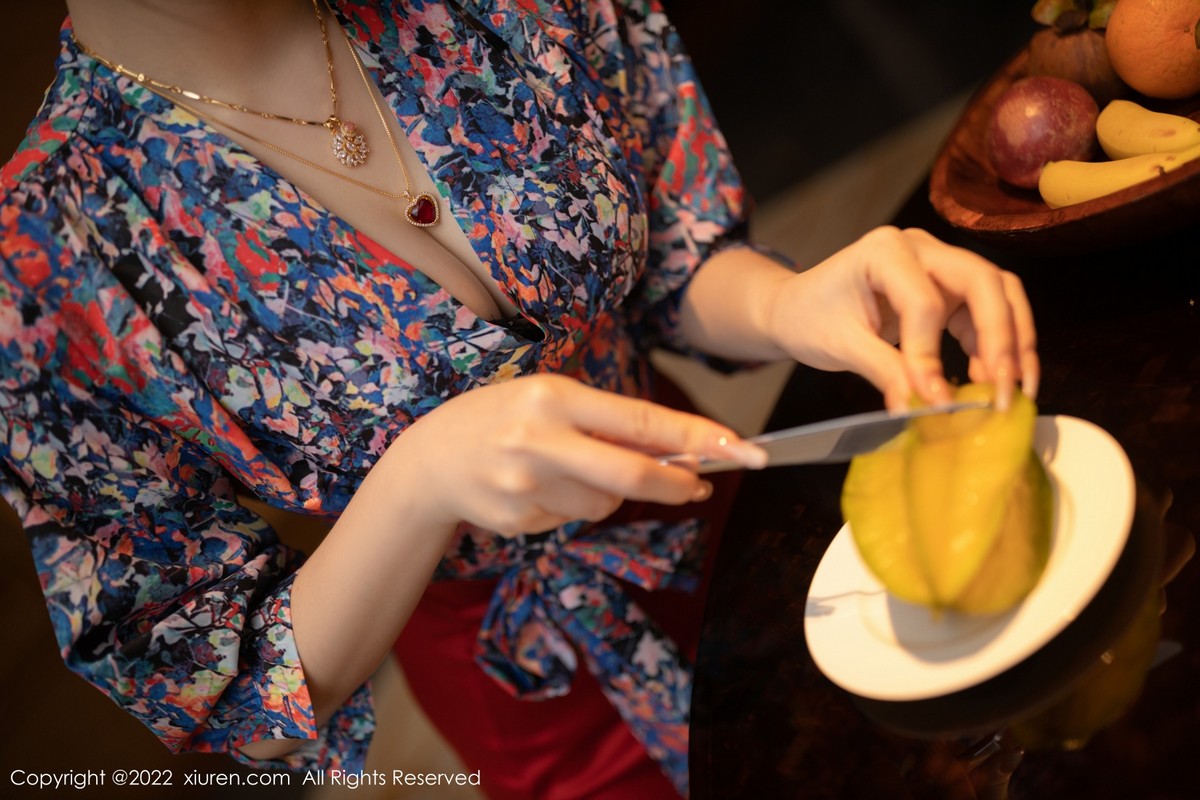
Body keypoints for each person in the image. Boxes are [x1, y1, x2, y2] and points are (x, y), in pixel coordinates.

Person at [0, 0, 1038, 797]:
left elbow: (672, 257)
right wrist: (419, 480)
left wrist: (794, 300)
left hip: (729, 513)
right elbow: (220, 678)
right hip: (536, 684)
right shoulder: (43, 260)